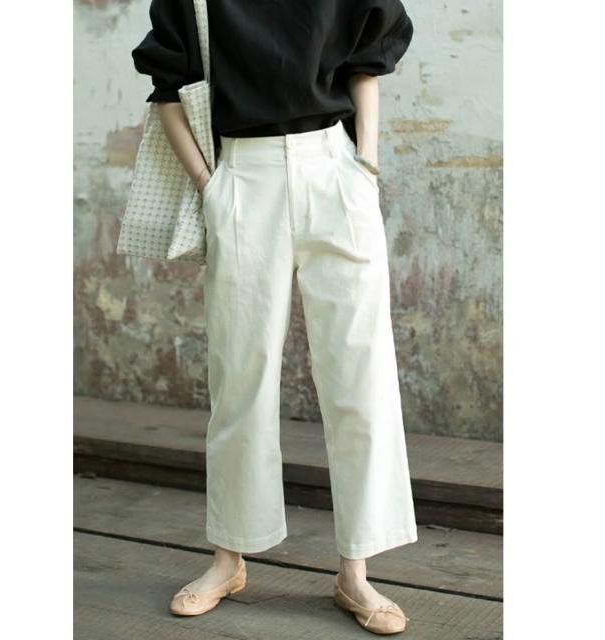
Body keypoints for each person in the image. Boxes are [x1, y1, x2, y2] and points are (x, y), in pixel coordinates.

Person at [131, 0, 417, 634]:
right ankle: (228, 560)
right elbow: (168, 88)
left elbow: (366, 62)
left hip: (335, 169)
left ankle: (355, 573)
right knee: (239, 377)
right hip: (243, 175)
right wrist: (210, 186)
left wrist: (365, 165)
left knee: (361, 374)